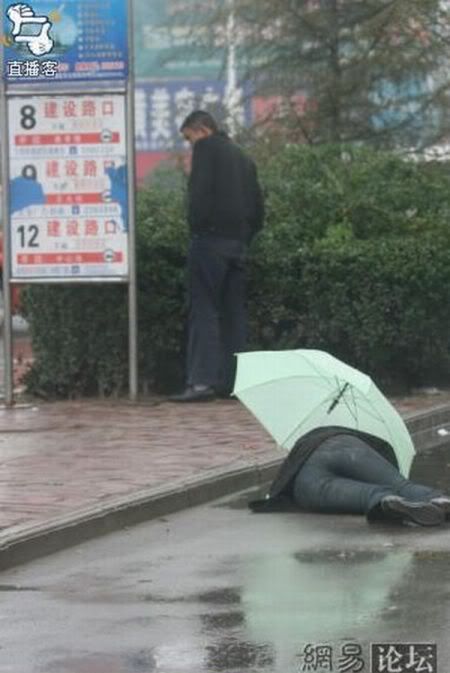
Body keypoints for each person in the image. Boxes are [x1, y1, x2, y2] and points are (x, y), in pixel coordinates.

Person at [170, 110, 264, 403]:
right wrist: (244, 237)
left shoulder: (206, 149)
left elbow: (198, 197)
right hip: (237, 245)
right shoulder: (242, 156)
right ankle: (232, 383)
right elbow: (258, 207)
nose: (190, 146)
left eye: (189, 138)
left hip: (209, 241)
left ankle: (201, 382)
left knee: (204, 309)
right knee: (234, 313)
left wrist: (197, 228)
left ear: (202, 130)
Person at [249, 426, 450, 526]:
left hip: (306, 475)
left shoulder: (306, 444)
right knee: (402, 485)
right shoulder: (356, 434)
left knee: (368, 494)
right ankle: (437, 498)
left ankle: (385, 500)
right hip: (348, 444)